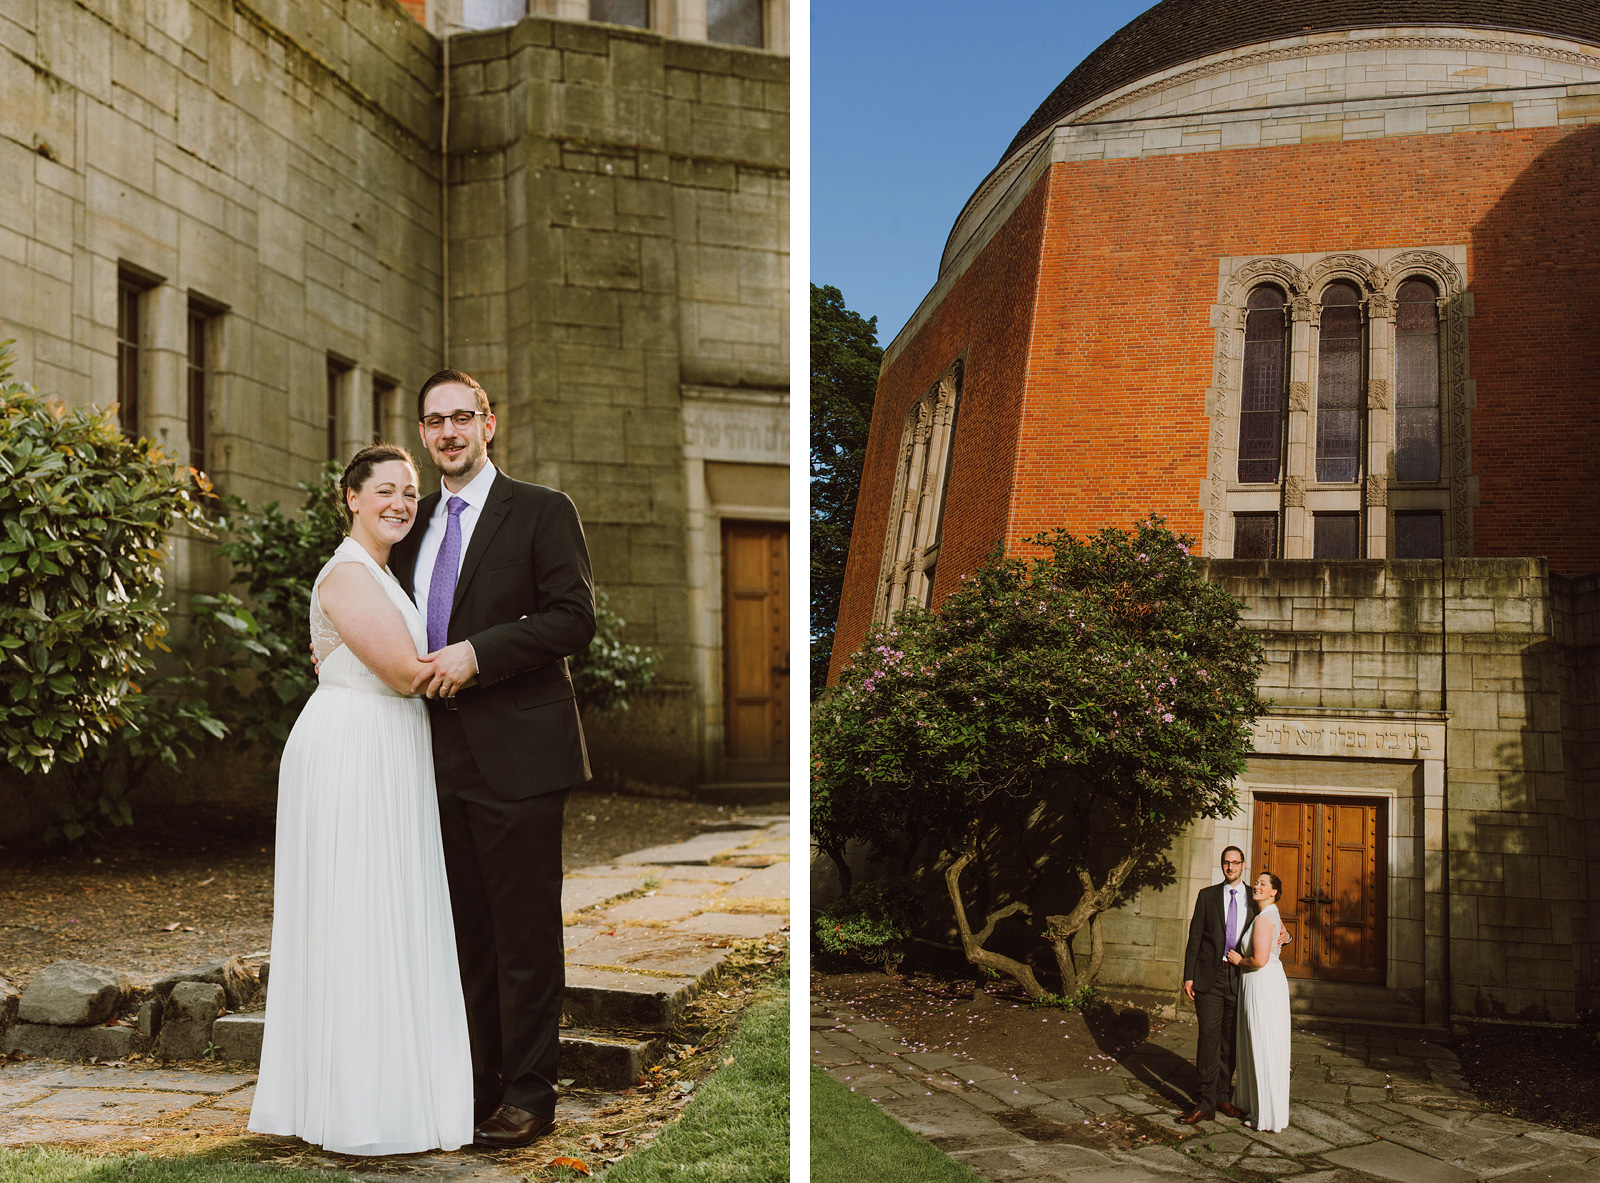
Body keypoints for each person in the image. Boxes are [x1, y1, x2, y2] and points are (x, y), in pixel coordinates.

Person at [387, 369, 596, 1149]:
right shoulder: (414, 528)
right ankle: (475, 1083)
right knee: (463, 935)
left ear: (489, 423)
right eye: (434, 421)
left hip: (521, 756)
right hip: (431, 759)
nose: (447, 432)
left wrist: (480, 652)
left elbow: (574, 619)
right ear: (423, 434)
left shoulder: (541, 510)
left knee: (523, 933)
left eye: (461, 417)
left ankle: (532, 1092)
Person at [248, 444, 473, 1155]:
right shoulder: (346, 574)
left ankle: (392, 1090)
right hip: (352, 752)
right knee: (357, 915)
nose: (402, 502)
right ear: (351, 497)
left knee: (389, 914)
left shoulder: (381, 572)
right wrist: (497, 651)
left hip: (390, 749)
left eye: (410, 491)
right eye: (385, 490)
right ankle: (355, 1105)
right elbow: (407, 675)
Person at [1177, 846, 1254, 1125]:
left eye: (1235, 863)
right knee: (1209, 1039)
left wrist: (1288, 936)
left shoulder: (1254, 899)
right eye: (1226, 863)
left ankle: (1222, 1096)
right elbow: (1195, 938)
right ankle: (1205, 1102)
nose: (1230, 867)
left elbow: (1273, 925)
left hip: (1240, 979)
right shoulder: (1207, 896)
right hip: (1210, 977)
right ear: (1222, 866)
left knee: (1230, 1042)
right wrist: (1189, 976)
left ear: (1244, 866)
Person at [1227, 872, 1292, 1131]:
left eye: (1263, 884)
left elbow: (1260, 960)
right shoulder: (1270, 914)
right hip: (1265, 982)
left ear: (1274, 892)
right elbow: (1280, 937)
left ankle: (1264, 1113)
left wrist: (1238, 961)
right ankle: (1258, 1103)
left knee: (1262, 1044)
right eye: (1256, 883)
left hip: (1261, 981)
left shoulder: (1265, 918)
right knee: (1261, 1043)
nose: (1257, 886)